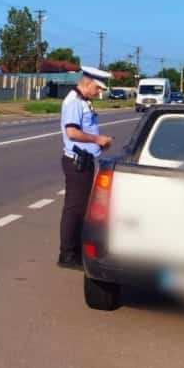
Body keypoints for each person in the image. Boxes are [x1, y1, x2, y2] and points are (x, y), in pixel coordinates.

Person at [57, 66, 114, 269]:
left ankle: (75, 250)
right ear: (88, 83)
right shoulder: (74, 102)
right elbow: (72, 132)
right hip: (76, 161)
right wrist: (98, 139)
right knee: (74, 208)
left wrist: (98, 144)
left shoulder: (83, 101)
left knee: (80, 208)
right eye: (97, 89)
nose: (99, 93)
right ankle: (67, 254)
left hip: (85, 159)